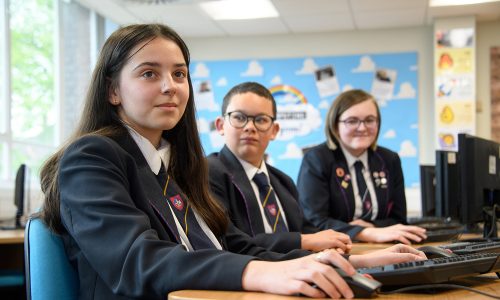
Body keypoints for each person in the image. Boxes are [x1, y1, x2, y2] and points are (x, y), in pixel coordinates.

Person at [38, 24, 426, 299]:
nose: (169, 86)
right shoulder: (91, 157)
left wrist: (355, 263)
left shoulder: (168, 165)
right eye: (148, 73)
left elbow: (234, 246)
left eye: (179, 74)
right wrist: (265, 274)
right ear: (112, 91)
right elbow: (138, 261)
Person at [207, 81, 352, 254]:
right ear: (221, 125)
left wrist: (331, 243)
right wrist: (304, 241)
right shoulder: (208, 172)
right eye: (239, 117)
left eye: (261, 120)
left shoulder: (282, 181)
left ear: (274, 130)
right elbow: (230, 241)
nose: (250, 127)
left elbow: (305, 230)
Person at [297, 89, 427, 245]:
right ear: (335, 125)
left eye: (370, 120)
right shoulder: (317, 159)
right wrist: (364, 233)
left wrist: (373, 227)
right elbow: (313, 222)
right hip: (335, 250)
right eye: (352, 121)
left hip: (382, 247)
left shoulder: (389, 159)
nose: (362, 128)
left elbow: (398, 219)